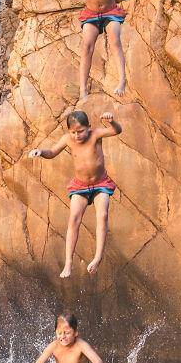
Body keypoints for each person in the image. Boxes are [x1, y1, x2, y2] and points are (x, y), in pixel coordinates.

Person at [30, 109, 122, 276]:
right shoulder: (68, 139)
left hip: (100, 184)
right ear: (69, 131)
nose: (77, 135)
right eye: (73, 132)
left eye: (81, 131)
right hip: (80, 186)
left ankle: (97, 257)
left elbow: (117, 131)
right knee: (73, 219)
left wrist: (111, 121)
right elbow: (52, 152)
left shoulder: (96, 135)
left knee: (102, 215)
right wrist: (41, 152)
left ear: (89, 127)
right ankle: (68, 263)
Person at [51, 0, 144, 101]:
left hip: (110, 12)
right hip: (91, 14)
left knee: (115, 41)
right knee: (87, 47)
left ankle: (122, 81)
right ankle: (83, 89)